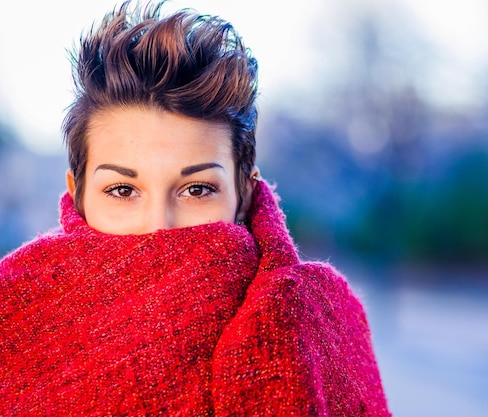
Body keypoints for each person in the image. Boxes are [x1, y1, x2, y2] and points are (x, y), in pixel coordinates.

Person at [0, 1, 391, 415]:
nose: (159, 228)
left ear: (243, 192)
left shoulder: (316, 320)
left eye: (197, 189)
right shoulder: (13, 316)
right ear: (77, 193)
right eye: (122, 190)